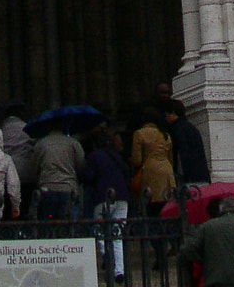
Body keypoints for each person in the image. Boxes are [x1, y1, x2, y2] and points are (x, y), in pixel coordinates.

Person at [84, 128, 131, 284]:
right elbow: (126, 171)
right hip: (122, 196)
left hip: (103, 197)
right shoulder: (116, 156)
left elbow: (89, 177)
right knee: (117, 233)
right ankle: (120, 271)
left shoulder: (94, 156)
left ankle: (108, 258)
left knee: (99, 230)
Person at [31, 119, 86, 220]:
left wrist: (38, 181)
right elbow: (81, 165)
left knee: (49, 220)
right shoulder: (73, 143)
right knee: (69, 221)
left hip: (47, 187)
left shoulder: (41, 144)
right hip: (68, 187)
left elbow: (34, 167)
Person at [130, 107, 176, 208]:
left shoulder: (139, 134)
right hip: (167, 172)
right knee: (167, 207)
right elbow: (171, 159)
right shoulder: (166, 135)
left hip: (149, 172)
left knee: (151, 207)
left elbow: (137, 161)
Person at [165, 99, 212, 186]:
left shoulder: (177, 130)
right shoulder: (190, 127)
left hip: (190, 179)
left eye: (166, 115)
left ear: (173, 113)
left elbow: (183, 154)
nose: (166, 118)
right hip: (201, 175)